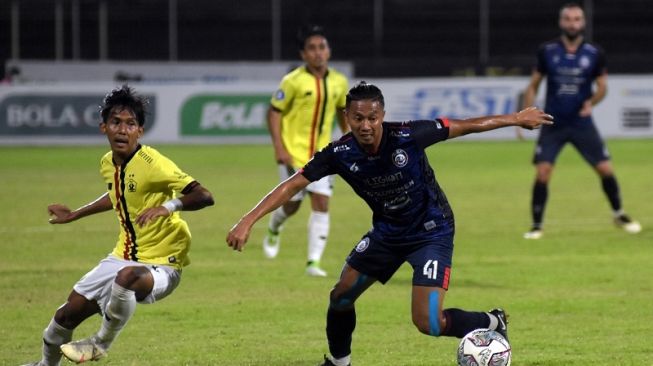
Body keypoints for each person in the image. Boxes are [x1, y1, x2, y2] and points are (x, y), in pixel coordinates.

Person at [227, 82, 554, 365]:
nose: (366, 125)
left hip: (432, 230)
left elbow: (464, 125)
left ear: (382, 115)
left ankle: (491, 321)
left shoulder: (408, 136)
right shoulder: (339, 153)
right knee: (340, 295)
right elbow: (293, 184)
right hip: (387, 233)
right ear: (347, 118)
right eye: (358, 118)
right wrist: (248, 220)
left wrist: (515, 119)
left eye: (372, 117)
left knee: (429, 323)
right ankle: (339, 362)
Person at [22, 85, 214, 366]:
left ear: (140, 131)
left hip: (163, 264)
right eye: (116, 122)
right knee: (64, 316)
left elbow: (204, 195)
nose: (123, 130)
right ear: (104, 127)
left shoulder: (153, 163)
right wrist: (75, 214)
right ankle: (45, 365)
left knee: (127, 278)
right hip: (122, 255)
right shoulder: (107, 163)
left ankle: (100, 343)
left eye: (130, 124)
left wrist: (168, 206)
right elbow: (117, 195)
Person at [522, 2, 641, 239]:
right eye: (568, 19)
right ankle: (537, 225)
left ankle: (618, 213)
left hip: (581, 123)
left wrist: (591, 102)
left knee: (606, 169)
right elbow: (533, 84)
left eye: (577, 19)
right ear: (561, 22)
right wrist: (525, 113)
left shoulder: (595, 53)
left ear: (583, 23)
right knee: (543, 172)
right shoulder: (547, 51)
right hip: (552, 122)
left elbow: (603, 87)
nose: (572, 23)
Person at [262, 24, 350, 277]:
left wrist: (347, 141)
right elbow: (274, 113)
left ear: (329, 51)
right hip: (293, 152)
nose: (317, 53)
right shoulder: (292, 81)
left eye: (321, 47)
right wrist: (279, 147)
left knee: (321, 202)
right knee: (292, 205)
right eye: (311, 48)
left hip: (323, 154)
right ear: (303, 55)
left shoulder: (339, 81)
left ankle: (313, 262)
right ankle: (275, 226)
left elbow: (342, 112)